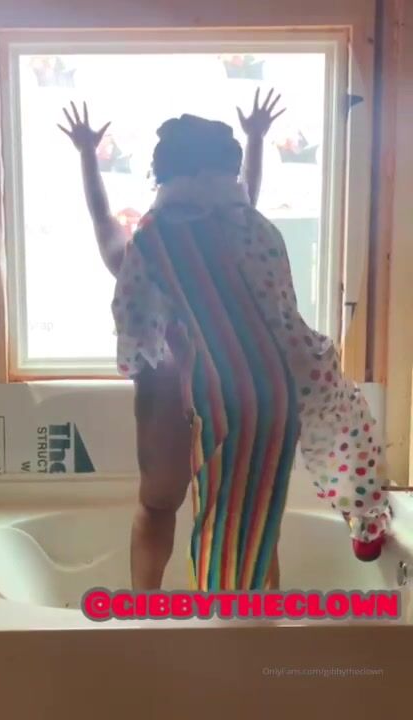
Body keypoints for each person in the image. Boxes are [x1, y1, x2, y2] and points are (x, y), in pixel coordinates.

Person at [59, 91, 391, 592]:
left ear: (162, 177)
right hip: (253, 392)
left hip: (170, 390)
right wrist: (256, 140)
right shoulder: (251, 232)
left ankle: (142, 611)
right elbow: (247, 195)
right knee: (252, 521)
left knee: (157, 507)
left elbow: (106, 230)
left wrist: (88, 155)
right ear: (226, 174)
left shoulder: (155, 242)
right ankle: (256, 623)